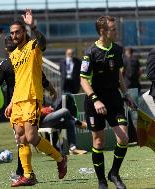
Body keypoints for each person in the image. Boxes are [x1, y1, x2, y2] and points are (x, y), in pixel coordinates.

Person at [0, 36, 57, 182]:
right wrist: (51, 89)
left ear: (6, 49)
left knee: (27, 138)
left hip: (24, 102)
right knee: (22, 138)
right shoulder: (16, 62)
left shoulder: (9, 63)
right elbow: (42, 77)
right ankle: (25, 173)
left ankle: (52, 161)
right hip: (18, 104)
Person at [4, 9, 67, 187]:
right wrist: (11, 102)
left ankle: (60, 158)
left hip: (32, 97)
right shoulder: (14, 54)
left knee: (31, 137)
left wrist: (34, 27)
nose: (14, 35)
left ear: (24, 32)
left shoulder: (33, 46)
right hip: (17, 100)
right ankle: (28, 175)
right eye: (12, 33)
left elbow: (43, 43)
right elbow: (18, 80)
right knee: (20, 137)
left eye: (17, 32)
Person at [80, 16, 136, 189]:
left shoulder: (118, 49)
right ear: (103, 31)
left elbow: (119, 75)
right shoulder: (90, 53)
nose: (116, 31)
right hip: (95, 102)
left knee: (124, 138)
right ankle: (102, 181)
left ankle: (114, 173)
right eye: (113, 29)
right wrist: (96, 100)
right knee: (98, 143)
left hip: (114, 100)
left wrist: (126, 94)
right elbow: (83, 80)